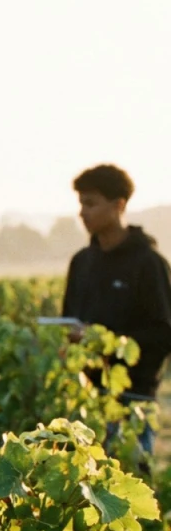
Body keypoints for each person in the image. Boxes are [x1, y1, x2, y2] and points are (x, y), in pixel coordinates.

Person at [62, 163, 171, 444]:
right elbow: (68, 319)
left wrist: (103, 340)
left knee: (131, 470)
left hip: (133, 399)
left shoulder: (149, 264)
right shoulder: (81, 262)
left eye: (91, 204)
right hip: (85, 398)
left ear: (118, 205)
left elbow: (163, 333)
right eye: (80, 204)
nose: (82, 212)